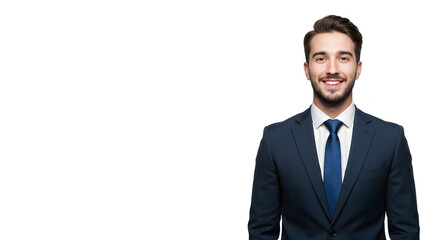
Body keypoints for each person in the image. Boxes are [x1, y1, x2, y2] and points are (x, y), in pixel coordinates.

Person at [248, 15, 419, 240]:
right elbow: (262, 232)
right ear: (307, 69)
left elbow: (405, 232)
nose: (332, 69)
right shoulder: (275, 140)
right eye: (320, 58)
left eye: (343, 58)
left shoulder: (390, 139)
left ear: (358, 69)